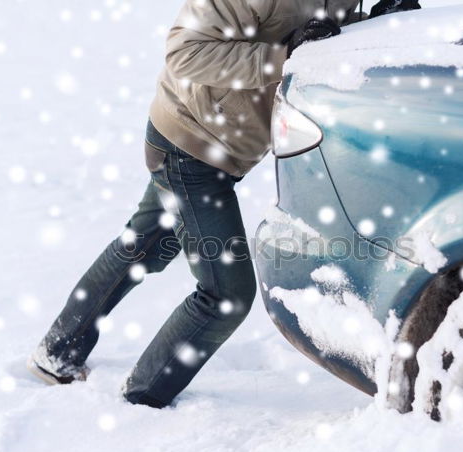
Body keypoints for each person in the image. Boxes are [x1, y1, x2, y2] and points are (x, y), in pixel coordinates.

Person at [27, 0, 418, 408]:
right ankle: (142, 401)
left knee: (145, 246)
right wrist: (282, 57)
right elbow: (185, 53)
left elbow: (320, 35)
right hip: (189, 145)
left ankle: (57, 352)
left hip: (222, 147)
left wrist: (377, 24)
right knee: (224, 295)